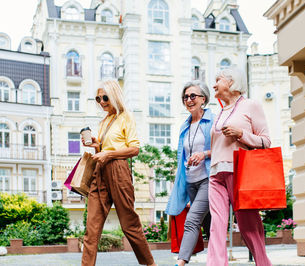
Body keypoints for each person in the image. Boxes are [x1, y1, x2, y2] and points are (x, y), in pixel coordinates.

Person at [81, 80, 156, 266]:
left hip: (118, 170)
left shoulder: (125, 116)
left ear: (114, 96)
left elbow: (135, 149)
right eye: (98, 98)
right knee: (91, 229)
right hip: (100, 172)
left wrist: (109, 153)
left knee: (129, 224)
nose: (101, 102)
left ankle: (150, 264)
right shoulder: (104, 121)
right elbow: (102, 152)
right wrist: (96, 146)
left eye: (105, 97)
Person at [207, 67, 272, 266]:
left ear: (232, 82)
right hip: (215, 173)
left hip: (240, 171)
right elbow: (217, 146)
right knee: (216, 225)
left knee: (248, 225)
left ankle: (263, 263)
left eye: (218, 79)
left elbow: (266, 141)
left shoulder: (251, 105)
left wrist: (241, 134)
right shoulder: (220, 112)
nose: (214, 84)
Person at [165, 80, 214, 266]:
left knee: (192, 221)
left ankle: (181, 263)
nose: (188, 100)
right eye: (185, 97)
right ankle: (217, 259)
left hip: (207, 180)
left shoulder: (213, 121)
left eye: (193, 96)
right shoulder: (184, 126)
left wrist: (204, 154)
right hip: (190, 181)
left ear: (203, 99)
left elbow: (224, 150)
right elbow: (182, 157)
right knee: (208, 225)